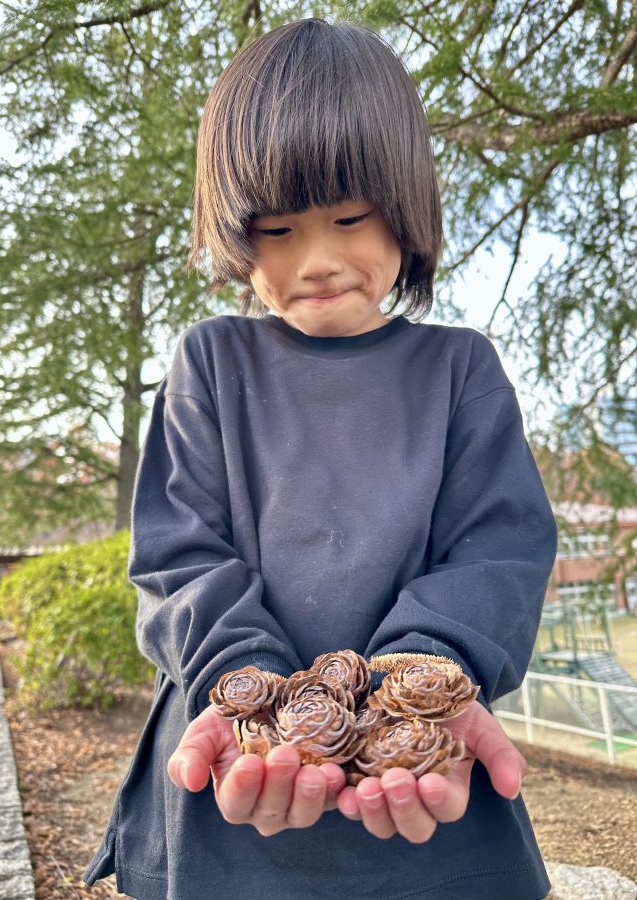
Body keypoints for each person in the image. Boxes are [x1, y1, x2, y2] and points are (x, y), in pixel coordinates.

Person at [84, 17, 557, 900]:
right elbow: (177, 555)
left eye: (347, 217)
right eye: (275, 231)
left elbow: (498, 552)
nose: (318, 260)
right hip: (232, 779)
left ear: (403, 205)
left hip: (423, 796)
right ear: (236, 234)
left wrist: (413, 681)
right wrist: (248, 685)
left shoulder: (461, 372)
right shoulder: (209, 366)